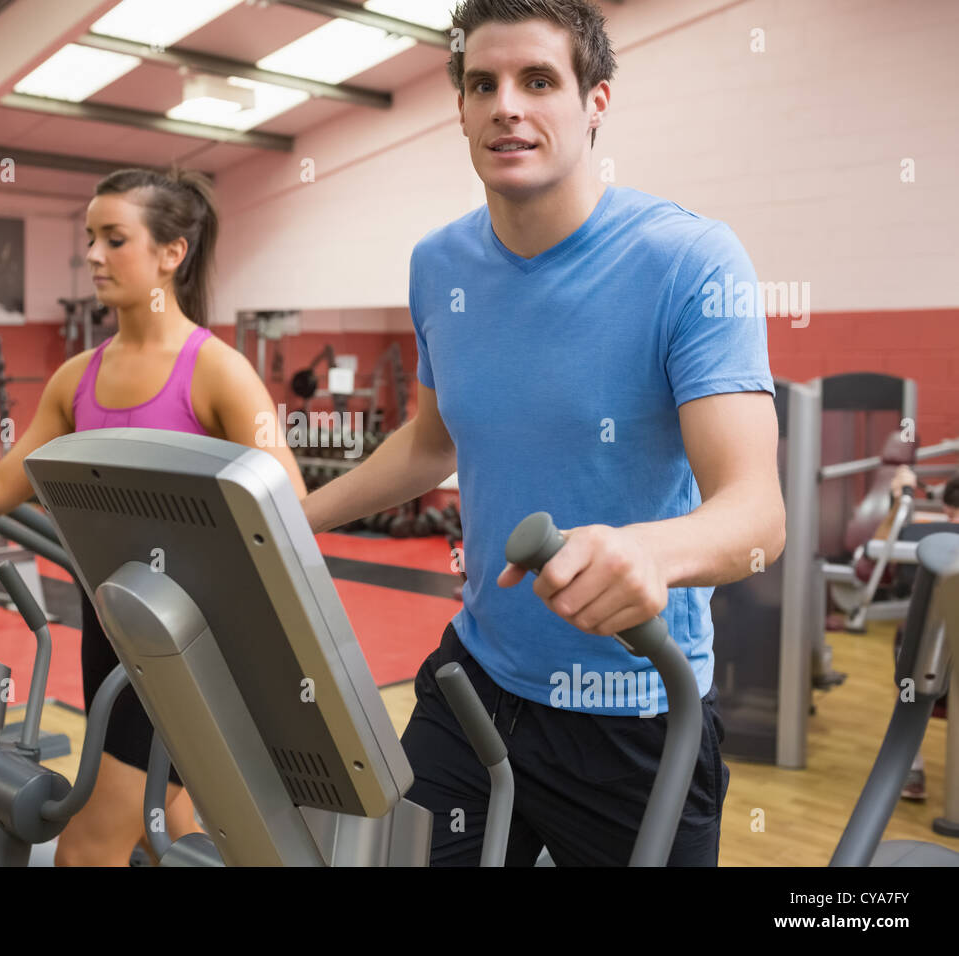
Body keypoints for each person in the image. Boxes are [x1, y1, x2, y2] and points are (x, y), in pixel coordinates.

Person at [303, 0, 784, 865]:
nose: (506, 106)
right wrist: (293, 517)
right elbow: (430, 442)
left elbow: (756, 516)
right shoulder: (438, 264)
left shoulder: (690, 262)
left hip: (632, 710)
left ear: (595, 100)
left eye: (538, 80)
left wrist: (651, 553)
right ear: (458, 108)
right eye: (481, 84)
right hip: (474, 685)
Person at [0, 167, 307, 865]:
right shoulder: (77, 378)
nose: (92, 256)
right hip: (109, 630)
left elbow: (289, 500)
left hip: (188, 642)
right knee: (174, 834)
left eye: (113, 239)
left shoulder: (215, 371)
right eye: (89, 239)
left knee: (87, 848)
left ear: (171, 253)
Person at [883, 468, 959, 800]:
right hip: (939, 655)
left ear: (948, 510)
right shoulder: (928, 539)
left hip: (933, 659)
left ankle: (910, 763)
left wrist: (900, 498)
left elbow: (879, 552)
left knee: (911, 642)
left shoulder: (924, 537)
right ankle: (910, 763)